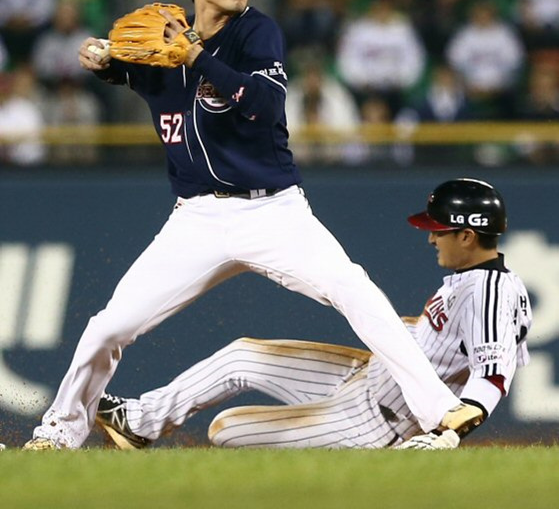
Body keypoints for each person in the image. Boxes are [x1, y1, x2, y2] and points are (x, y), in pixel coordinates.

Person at [24, 0, 475, 450]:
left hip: (273, 214)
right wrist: (104, 62)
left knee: (354, 290)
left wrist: (197, 56)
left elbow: (263, 105)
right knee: (108, 327)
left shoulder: (256, 33)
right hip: (195, 220)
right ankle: (58, 431)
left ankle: (440, 409)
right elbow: (137, 70)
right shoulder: (166, 46)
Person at [94, 178, 532, 451]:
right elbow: (444, 343)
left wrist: (448, 434)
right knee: (241, 355)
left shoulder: (490, 292)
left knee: (226, 429)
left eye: (439, 231)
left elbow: (492, 375)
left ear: (469, 235)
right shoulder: (473, 278)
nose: (431, 239)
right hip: (366, 376)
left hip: (378, 421)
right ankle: (139, 422)